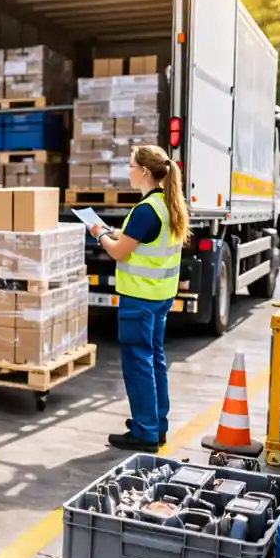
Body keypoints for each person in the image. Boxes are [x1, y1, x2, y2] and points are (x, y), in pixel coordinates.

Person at [88, 144, 188, 454]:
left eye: (131, 165)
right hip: (159, 298)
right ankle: (156, 426)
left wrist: (98, 234)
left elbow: (119, 251)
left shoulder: (146, 209)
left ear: (144, 171)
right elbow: (138, 238)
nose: (128, 170)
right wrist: (115, 230)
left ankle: (145, 432)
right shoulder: (163, 203)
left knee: (138, 364)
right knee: (154, 360)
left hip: (140, 299)